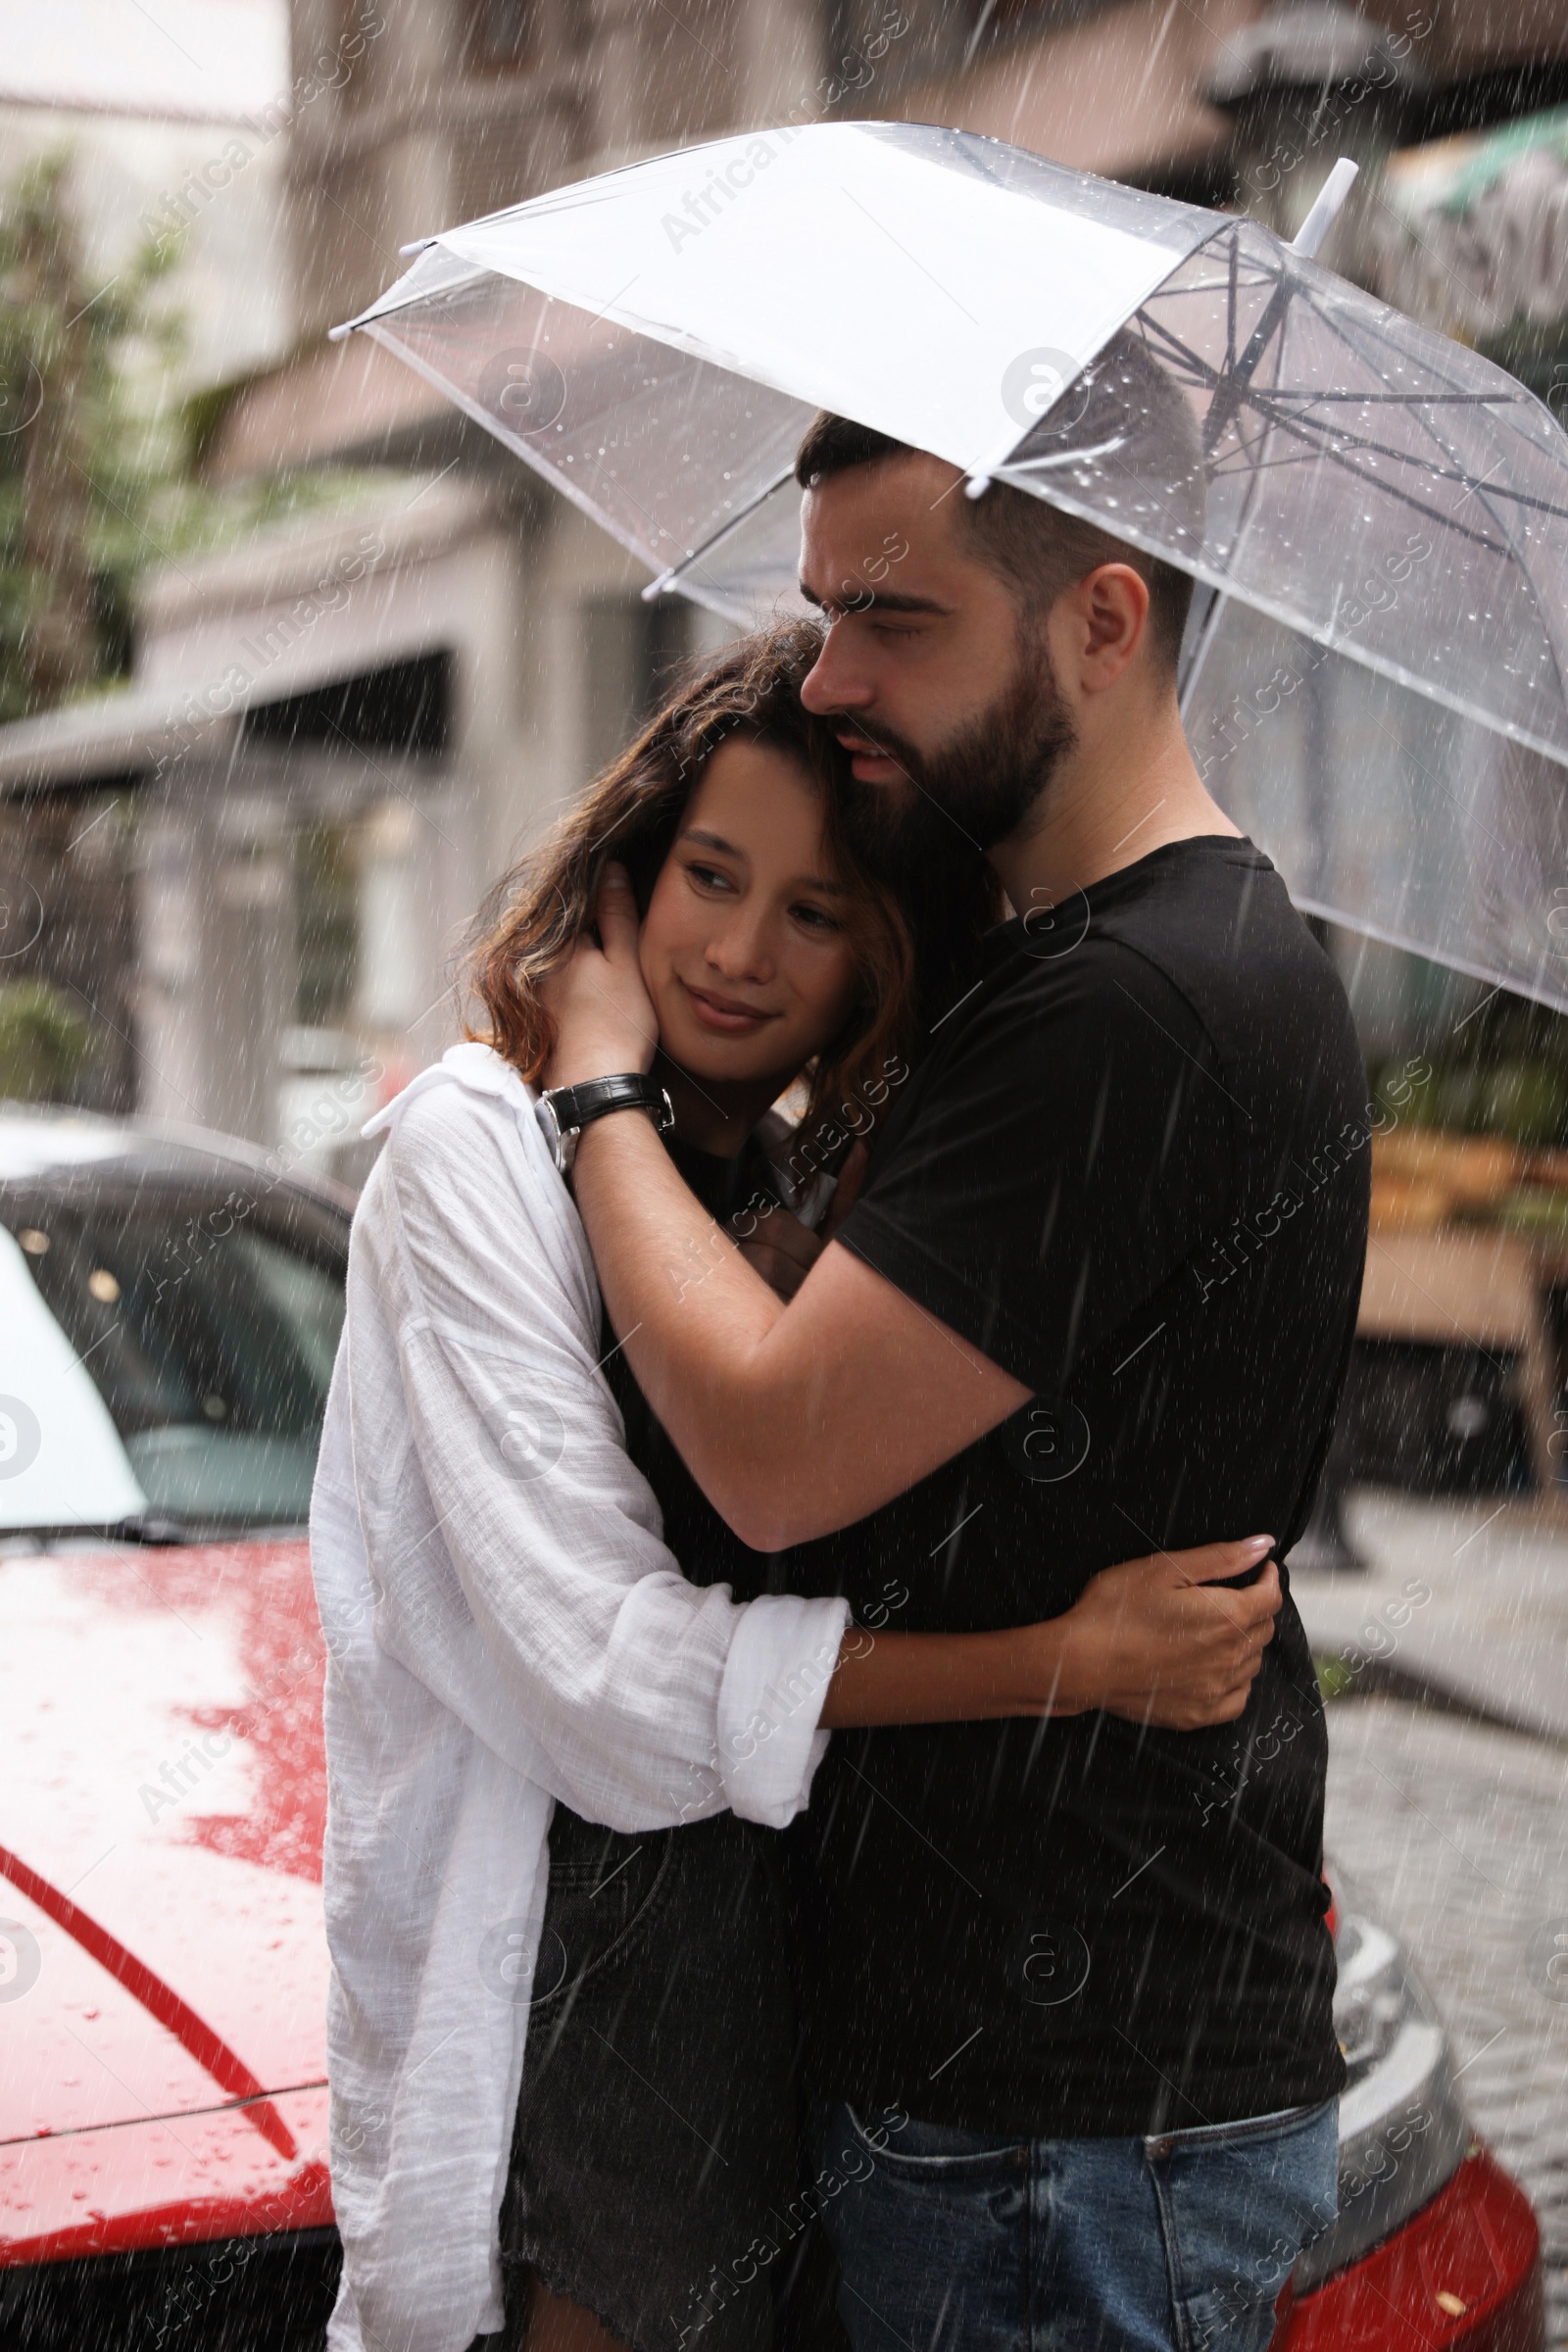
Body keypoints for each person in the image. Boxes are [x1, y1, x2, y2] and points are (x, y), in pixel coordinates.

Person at [311, 623, 1283, 2352]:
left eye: (818, 914)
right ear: (621, 880)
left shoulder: (770, 1203)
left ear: (877, 964)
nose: (742, 954)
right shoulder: (473, 1153)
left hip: (794, 1999)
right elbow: (607, 1677)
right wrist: (1066, 1660)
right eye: (708, 876)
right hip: (579, 2003)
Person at [541, 348, 1371, 2352]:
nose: (828, 681)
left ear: (1103, 622)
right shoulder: (1084, 970)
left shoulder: (1133, 1005)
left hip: (1058, 2145)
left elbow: (762, 1442)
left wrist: (593, 1095)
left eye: (891, 621)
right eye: (823, 612)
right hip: (1035, 2103)